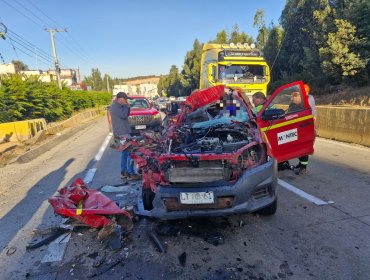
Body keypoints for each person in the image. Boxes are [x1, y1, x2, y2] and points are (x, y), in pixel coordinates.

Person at [109, 92, 138, 180]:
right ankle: (130, 173)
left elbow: (126, 114)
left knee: (125, 153)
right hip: (122, 133)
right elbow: (124, 115)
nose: (126, 101)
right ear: (119, 99)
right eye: (125, 99)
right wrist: (126, 106)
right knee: (130, 152)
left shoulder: (118, 106)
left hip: (123, 132)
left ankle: (124, 172)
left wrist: (127, 107)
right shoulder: (115, 107)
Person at [293, 84, 316, 175]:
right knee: (298, 147)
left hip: (306, 126)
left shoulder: (308, 99)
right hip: (302, 125)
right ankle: (301, 164)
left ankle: (303, 168)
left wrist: (294, 100)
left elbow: (302, 106)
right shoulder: (306, 98)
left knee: (303, 147)